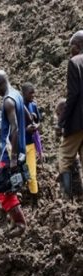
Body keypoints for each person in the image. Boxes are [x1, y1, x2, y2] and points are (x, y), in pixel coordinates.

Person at [0, 70, 27, 237]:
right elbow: (25, 117)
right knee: (10, 187)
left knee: (0, 188)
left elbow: (15, 128)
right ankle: (14, 222)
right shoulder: (17, 94)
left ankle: (20, 222)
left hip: (9, 152)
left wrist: (12, 158)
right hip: (19, 149)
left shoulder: (8, 101)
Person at [58, 31, 83, 199]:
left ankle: (66, 202)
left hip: (78, 121)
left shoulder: (75, 63)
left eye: (71, 47)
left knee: (64, 156)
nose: (70, 51)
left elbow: (73, 95)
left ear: (79, 45)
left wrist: (61, 122)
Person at [55, 99, 83, 197]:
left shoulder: (70, 119)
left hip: (76, 127)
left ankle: (67, 194)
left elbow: (73, 93)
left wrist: (60, 125)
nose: (58, 117)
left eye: (59, 114)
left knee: (64, 157)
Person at [22, 82, 42, 204]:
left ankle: (35, 202)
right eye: (30, 93)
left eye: (34, 92)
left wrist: (36, 126)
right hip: (20, 146)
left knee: (32, 175)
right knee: (20, 175)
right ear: (23, 93)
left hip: (31, 145)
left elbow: (39, 122)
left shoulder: (33, 106)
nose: (33, 95)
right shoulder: (18, 107)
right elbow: (15, 127)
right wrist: (26, 130)